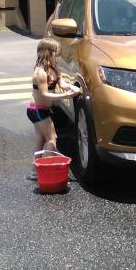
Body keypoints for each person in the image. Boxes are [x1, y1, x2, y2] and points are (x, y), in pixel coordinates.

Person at [26, 38, 79, 180]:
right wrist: (65, 96)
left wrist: (72, 87)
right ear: (47, 53)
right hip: (37, 110)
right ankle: (45, 171)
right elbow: (44, 94)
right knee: (52, 138)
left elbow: (62, 83)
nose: (58, 57)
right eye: (56, 54)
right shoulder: (40, 73)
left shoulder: (54, 69)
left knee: (40, 139)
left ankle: (34, 171)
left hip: (42, 109)